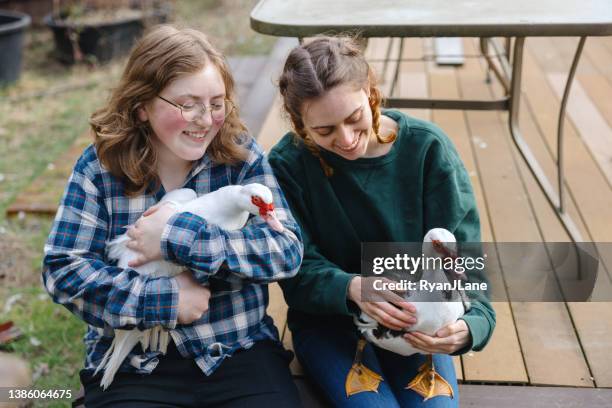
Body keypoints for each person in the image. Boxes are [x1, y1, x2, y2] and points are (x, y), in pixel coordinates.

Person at [43, 25, 303, 407]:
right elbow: (64, 269)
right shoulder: (99, 168)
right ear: (142, 106)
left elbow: (286, 250)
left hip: (235, 350)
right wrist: (163, 300)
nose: (204, 119)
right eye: (187, 104)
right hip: (134, 362)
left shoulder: (240, 157)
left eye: (217, 103)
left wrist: (177, 236)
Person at [268, 36, 496, 407]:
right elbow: (294, 269)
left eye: (354, 117)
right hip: (331, 325)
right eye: (324, 131)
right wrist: (353, 287)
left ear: (371, 93)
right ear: (299, 124)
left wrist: (472, 328)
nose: (345, 139)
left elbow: (466, 260)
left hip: (418, 321)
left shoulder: (428, 150)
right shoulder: (287, 166)